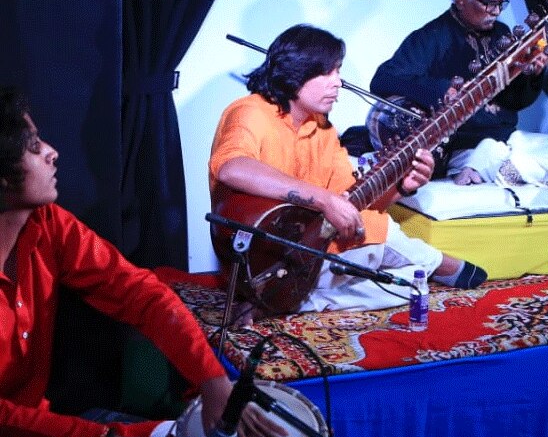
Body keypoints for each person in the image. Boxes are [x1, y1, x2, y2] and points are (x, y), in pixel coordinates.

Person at [0, 88, 283, 437]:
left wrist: (212, 380)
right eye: (33, 146)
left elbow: (141, 294)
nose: (51, 152)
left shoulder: (48, 223)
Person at [209, 24, 488, 319]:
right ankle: (437, 263)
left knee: (411, 286)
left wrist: (402, 187)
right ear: (295, 72)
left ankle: (300, 301)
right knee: (399, 255)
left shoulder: (324, 130)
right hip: (259, 258)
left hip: (311, 253)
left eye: (338, 72)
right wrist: (324, 200)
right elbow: (232, 167)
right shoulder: (251, 111)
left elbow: (354, 202)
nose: (338, 83)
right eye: (327, 72)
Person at [370, 0, 548, 185]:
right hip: (463, 146)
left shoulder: (502, 34)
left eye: (500, 4)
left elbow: (514, 101)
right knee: (520, 169)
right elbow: (383, 79)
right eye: (488, 3)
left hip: (506, 137)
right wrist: (443, 90)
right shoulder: (433, 37)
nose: (496, 11)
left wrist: (532, 75)